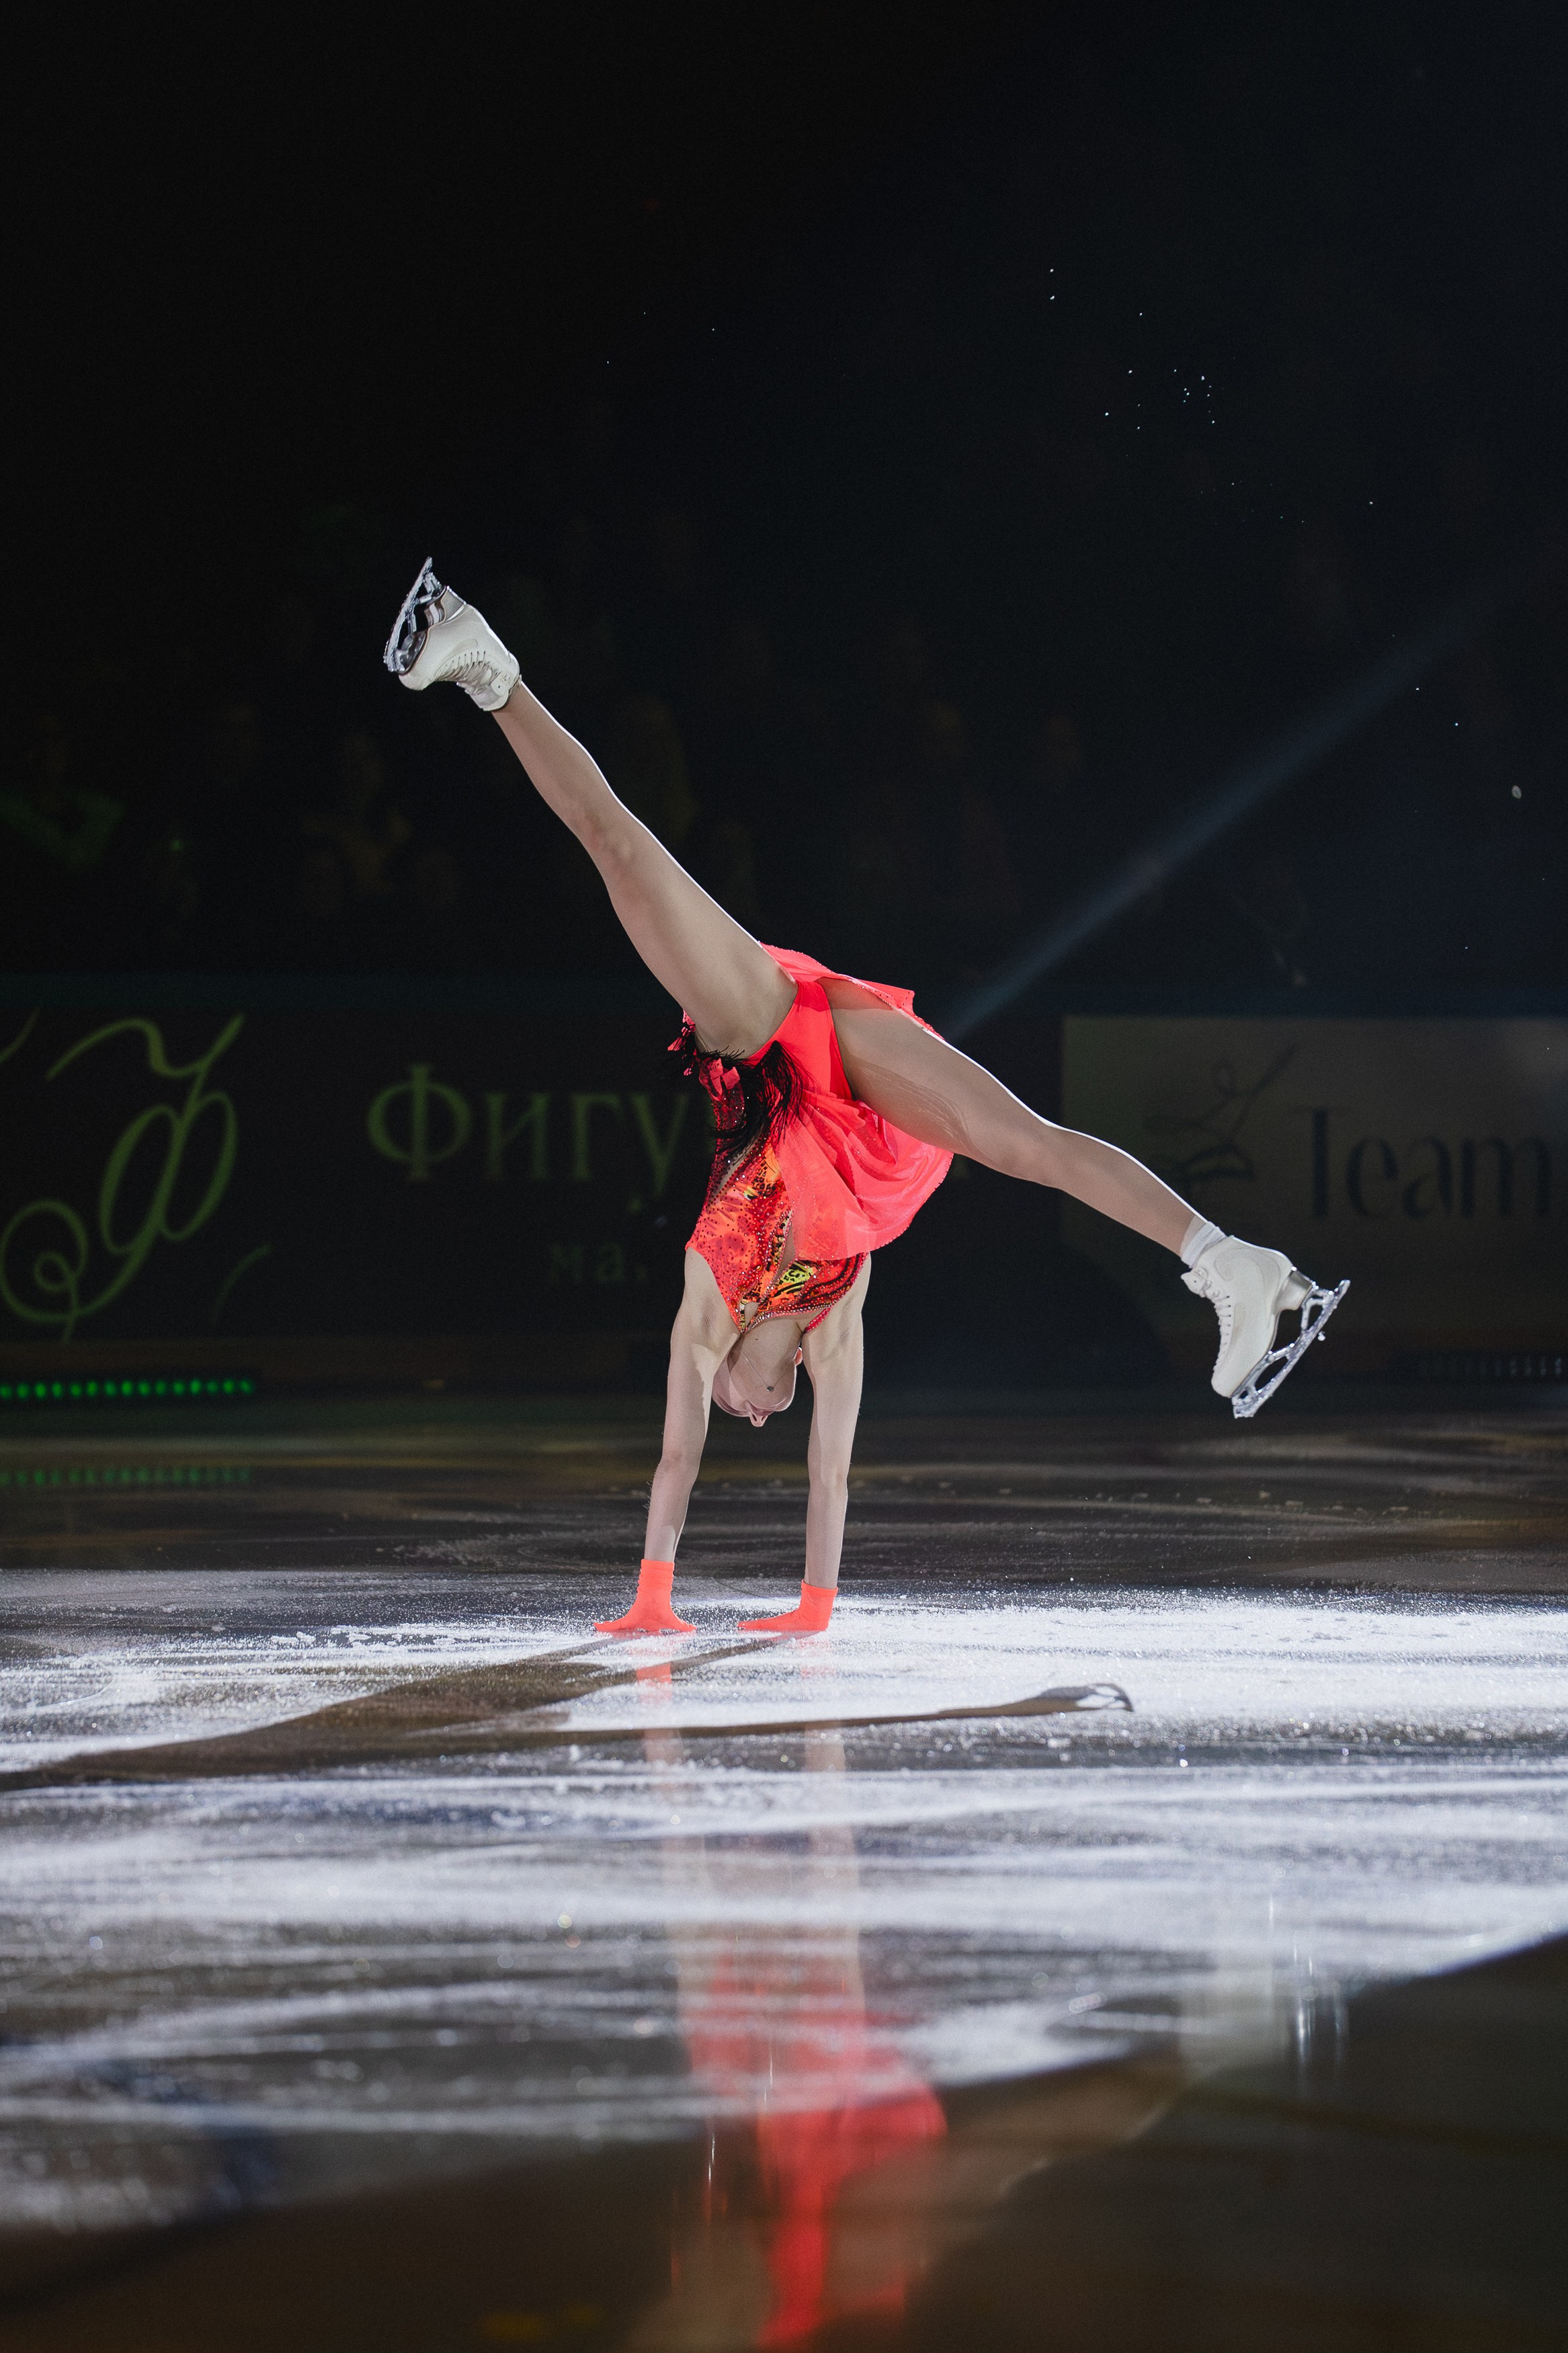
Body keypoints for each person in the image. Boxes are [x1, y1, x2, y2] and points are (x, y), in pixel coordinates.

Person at [383, 564, 1346, 1636]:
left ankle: (1228, 1263)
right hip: (861, 1129)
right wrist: (795, 1607)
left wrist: (669, 1600)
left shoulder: (717, 1297)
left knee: (621, 858)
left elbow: (694, 1452)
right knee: (1018, 1139)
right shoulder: (830, 1317)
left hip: (777, 1059)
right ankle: (484, 663)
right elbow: (815, 1477)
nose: (742, 1411)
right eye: (759, 1406)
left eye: (739, 1408)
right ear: (783, 1364)